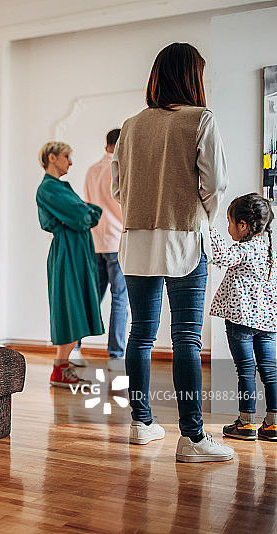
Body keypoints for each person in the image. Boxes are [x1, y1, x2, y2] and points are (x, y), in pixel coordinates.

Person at [112, 42, 233, 462]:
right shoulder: (201, 119)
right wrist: (203, 217)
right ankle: (193, 438)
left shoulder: (130, 126)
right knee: (186, 337)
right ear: (192, 76)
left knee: (140, 334)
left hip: (136, 239)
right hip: (185, 238)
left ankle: (141, 423)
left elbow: (118, 188)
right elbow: (215, 184)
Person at [36, 141, 104, 388]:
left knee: (78, 303)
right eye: (66, 156)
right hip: (67, 250)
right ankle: (60, 369)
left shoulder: (60, 187)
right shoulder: (48, 188)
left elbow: (89, 213)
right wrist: (85, 212)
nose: (71, 162)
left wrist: (85, 212)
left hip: (77, 249)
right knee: (70, 305)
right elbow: (82, 215)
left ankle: (62, 368)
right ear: (52, 157)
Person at [209, 193, 276, 441]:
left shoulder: (244, 249)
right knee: (270, 371)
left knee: (246, 370)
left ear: (243, 225)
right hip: (268, 322)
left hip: (241, 322)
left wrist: (211, 230)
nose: (228, 228)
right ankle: (273, 425)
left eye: (229, 222)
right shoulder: (268, 249)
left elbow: (221, 257)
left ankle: (246, 424)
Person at [84, 128, 128, 372]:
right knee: (120, 298)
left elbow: (88, 205)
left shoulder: (92, 170)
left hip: (96, 240)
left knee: (92, 297)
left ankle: (74, 346)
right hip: (116, 241)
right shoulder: (121, 169)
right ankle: (115, 355)